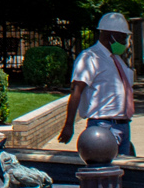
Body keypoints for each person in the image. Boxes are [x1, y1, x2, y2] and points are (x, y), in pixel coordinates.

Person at [59, 12, 137, 156]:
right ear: (110, 35)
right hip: (103, 126)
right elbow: (77, 91)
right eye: (122, 37)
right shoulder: (90, 57)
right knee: (103, 169)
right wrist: (69, 125)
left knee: (124, 172)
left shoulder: (117, 59)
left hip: (123, 125)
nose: (125, 42)